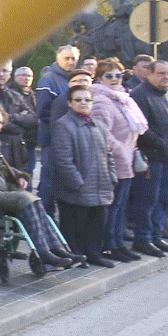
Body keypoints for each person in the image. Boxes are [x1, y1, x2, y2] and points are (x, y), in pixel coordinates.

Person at [0, 105, 79, 268]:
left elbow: (1, 167)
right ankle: (44, 252)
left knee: (34, 200)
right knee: (25, 198)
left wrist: (21, 176)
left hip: (0, 191)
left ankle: (56, 248)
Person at [88, 59, 149, 262]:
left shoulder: (122, 98)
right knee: (112, 207)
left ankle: (118, 243)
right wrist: (122, 151)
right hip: (113, 162)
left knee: (121, 206)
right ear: (99, 78)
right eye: (109, 76)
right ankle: (109, 245)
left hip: (127, 158)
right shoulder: (100, 100)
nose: (114, 79)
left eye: (118, 75)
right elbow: (102, 132)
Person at [53, 85, 118, 267]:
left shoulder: (99, 126)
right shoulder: (63, 125)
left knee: (97, 224)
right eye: (78, 99)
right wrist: (78, 184)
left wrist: (111, 177)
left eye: (87, 100)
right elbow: (63, 160)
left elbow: (109, 155)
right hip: (77, 190)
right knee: (75, 226)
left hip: (101, 186)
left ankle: (94, 254)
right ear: (69, 103)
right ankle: (76, 256)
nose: (83, 103)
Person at [128, 60, 168, 255]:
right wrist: (160, 142)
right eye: (161, 73)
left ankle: (156, 236)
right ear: (149, 73)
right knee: (147, 200)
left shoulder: (166, 95)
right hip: (150, 157)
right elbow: (140, 127)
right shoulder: (140, 95)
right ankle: (143, 239)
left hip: (167, 157)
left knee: (163, 199)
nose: (166, 78)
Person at [36, 46, 80, 213]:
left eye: (73, 58)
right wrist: (64, 126)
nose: (70, 62)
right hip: (52, 138)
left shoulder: (72, 79)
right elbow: (42, 111)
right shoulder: (48, 80)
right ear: (58, 58)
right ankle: (46, 216)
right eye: (66, 58)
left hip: (70, 138)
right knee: (49, 179)